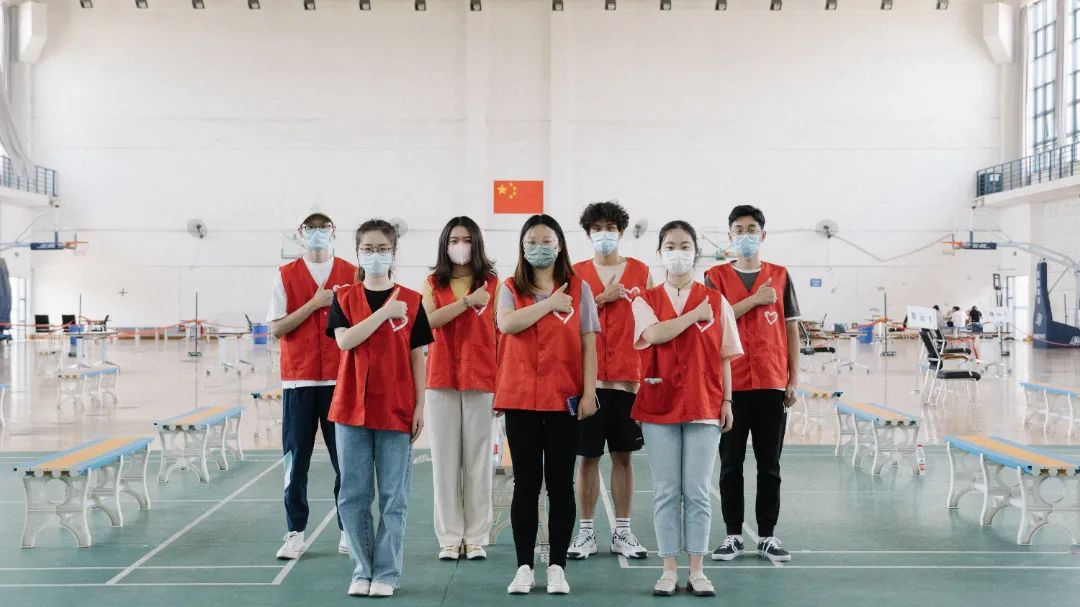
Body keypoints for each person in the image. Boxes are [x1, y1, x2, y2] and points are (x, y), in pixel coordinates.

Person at [632, 220, 741, 597]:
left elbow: (726, 355)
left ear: (695, 252)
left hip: (704, 403)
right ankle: (668, 569)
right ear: (659, 253)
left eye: (684, 246)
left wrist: (727, 401)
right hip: (658, 404)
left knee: (696, 490)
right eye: (670, 246)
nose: (677, 253)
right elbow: (654, 335)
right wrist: (693, 316)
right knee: (666, 490)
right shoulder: (645, 300)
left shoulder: (717, 301)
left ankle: (697, 569)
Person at [327, 219, 434, 598]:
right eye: (368, 249)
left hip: (395, 410)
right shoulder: (343, 298)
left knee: (393, 498)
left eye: (383, 249)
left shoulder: (413, 302)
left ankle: (387, 573)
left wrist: (419, 406)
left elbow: (418, 357)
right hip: (350, 411)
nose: (376, 255)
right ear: (358, 253)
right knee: (352, 496)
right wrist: (385, 313)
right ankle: (362, 570)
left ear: (394, 252)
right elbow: (345, 342)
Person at [495, 214, 599, 596]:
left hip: (563, 401)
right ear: (522, 247)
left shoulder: (580, 288)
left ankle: (557, 567)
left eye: (546, 240)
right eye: (532, 241)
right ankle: (523, 567)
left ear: (559, 245)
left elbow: (589, 344)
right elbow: (507, 324)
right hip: (520, 399)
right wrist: (551, 304)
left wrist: (589, 393)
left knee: (560, 485)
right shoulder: (509, 287)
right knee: (526, 484)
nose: (539, 247)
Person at [704, 204, 800, 564]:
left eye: (752, 229)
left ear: (763, 234)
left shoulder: (781, 275)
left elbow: (791, 328)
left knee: (769, 465)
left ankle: (767, 535)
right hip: (730, 386)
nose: (746, 235)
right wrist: (756, 300)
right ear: (730, 236)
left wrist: (793, 377)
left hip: (771, 382)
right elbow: (715, 320)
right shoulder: (714, 277)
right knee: (730, 464)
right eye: (739, 230)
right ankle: (732, 535)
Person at [267, 212, 356, 561]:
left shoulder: (351, 273)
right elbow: (277, 328)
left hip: (340, 379)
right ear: (301, 233)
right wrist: (315, 304)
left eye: (323, 227)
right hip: (299, 380)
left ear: (333, 231)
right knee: (296, 460)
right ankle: (295, 532)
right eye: (311, 228)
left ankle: (348, 529)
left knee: (345, 461)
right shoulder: (286, 275)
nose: (317, 233)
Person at [568, 201, 652, 561]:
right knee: (587, 458)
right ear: (589, 234)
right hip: (588, 383)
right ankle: (585, 532)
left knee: (624, 458)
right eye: (597, 228)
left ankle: (623, 531)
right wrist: (602, 299)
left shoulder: (641, 272)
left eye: (611, 228)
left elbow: (651, 324)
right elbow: (568, 323)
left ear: (621, 231)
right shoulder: (575, 273)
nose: (605, 234)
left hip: (628, 382)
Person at [423, 216, 499, 561]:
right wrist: (467, 303)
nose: (460, 246)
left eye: (466, 239)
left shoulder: (494, 284)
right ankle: (450, 537)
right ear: (445, 244)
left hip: (482, 379)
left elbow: (502, 332)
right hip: (441, 379)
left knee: (479, 461)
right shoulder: (431, 283)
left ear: (477, 243)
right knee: (445, 461)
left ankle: (477, 536)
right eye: (454, 240)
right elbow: (428, 322)